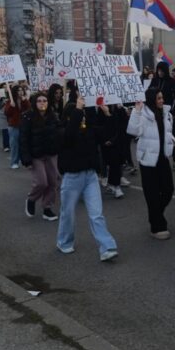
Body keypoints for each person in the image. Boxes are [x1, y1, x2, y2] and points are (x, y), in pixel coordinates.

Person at [56, 97, 118, 261]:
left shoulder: (88, 129)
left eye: (83, 114)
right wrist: (77, 109)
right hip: (72, 178)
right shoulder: (62, 131)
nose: (82, 117)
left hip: (90, 176)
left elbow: (107, 135)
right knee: (68, 213)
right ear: (69, 117)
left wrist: (107, 114)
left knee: (96, 214)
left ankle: (107, 247)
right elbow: (69, 136)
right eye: (78, 115)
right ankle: (64, 241)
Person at [127, 89, 175, 240]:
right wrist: (136, 111)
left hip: (162, 158)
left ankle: (155, 215)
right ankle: (157, 226)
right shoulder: (143, 113)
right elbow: (133, 131)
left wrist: (172, 141)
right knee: (152, 194)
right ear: (151, 99)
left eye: (162, 97)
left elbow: (168, 132)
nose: (161, 100)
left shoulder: (167, 113)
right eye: (158, 98)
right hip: (148, 160)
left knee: (168, 190)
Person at [20, 92, 61, 220]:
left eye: (45, 100)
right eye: (39, 101)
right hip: (36, 155)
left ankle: (47, 208)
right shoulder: (27, 117)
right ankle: (31, 199)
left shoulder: (53, 116)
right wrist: (26, 158)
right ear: (34, 103)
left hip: (51, 153)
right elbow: (23, 139)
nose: (42, 103)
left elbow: (60, 133)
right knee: (41, 182)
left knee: (53, 182)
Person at [148, 61, 175, 172]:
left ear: (165, 70)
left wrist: (174, 114)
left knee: (172, 136)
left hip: (169, 114)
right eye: (158, 70)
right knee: (157, 137)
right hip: (156, 114)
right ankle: (158, 159)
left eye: (162, 70)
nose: (160, 72)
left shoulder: (172, 82)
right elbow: (149, 95)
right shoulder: (154, 81)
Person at [97, 103, 131, 199]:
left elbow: (122, 124)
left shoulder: (118, 108)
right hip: (107, 141)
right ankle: (114, 185)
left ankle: (114, 183)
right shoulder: (101, 108)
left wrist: (123, 111)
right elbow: (100, 126)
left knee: (118, 161)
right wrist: (105, 140)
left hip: (118, 139)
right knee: (113, 161)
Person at [4, 84, 30, 169]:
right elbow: (7, 113)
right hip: (14, 126)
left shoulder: (25, 100)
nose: (20, 92)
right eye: (18, 90)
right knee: (14, 144)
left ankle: (26, 161)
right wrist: (11, 106)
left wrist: (25, 101)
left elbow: (29, 110)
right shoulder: (10, 101)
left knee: (25, 144)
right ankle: (14, 162)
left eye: (22, 90)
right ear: (15, 92)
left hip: (24, 125)